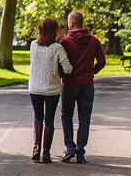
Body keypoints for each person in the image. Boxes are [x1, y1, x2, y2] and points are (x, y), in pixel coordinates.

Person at [59, 11, 106, 163]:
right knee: (84, 118)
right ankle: (80, 151)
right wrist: (91, 72)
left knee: (67, 116)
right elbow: (102, 61)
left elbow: (60, 63)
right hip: (87, 84)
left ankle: (69, 147)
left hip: (69, 84)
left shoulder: (65, 42)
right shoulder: (93, 41)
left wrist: (63, 75)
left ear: (71, 23)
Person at [28, 17, 73, 163]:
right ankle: (46, 153)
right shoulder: (57, 48)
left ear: (40, 30)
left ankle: (36, 149)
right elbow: (68, 69)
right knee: (49, 120)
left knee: (37, 117)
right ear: (55, 31)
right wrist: (61, 38)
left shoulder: (33, 45)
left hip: (35, 87)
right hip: (51, 89)